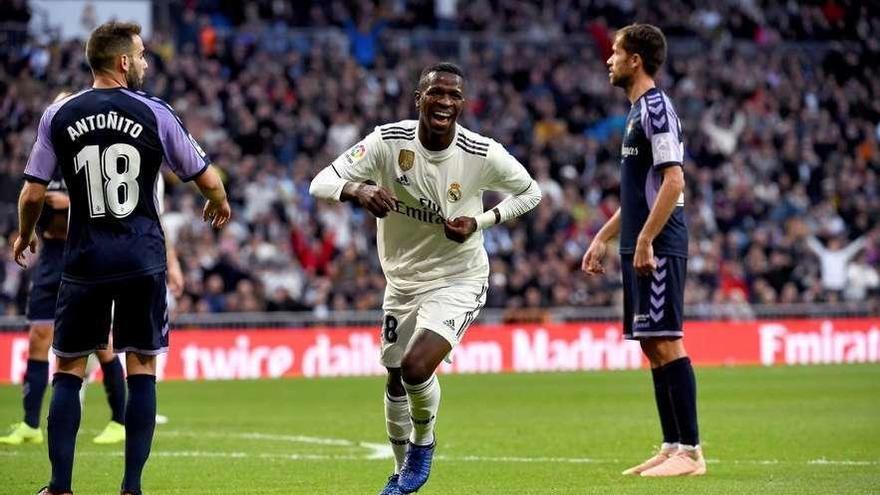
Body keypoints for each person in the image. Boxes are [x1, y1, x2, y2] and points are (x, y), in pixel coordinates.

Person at [13, 21, 230, 495]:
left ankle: (60, 485)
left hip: (84, 258)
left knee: (68, 368)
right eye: (142, 54)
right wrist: (218, 199)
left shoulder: (59, 114)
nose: (147, 62)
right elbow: (204, 175)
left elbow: (32, 192)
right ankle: (131, 487)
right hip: (141, 258)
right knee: (142, 367)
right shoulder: (154, 111)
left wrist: (25, 234)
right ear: (123, 62)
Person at [310, 62, 541, 495]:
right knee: (395, 377)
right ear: (419, 98)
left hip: (459, 277)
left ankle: (424, 444)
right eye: (437, 93)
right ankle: (401, 477)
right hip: (401, 282)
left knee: (417, 367)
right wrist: (358, 191)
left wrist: (481, 220)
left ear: (461, 104)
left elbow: (531, 192)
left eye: (454, 95)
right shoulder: (387, 142)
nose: (445, 101)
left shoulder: (480, 152)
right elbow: (321, 181)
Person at [581, 24, 705, 477]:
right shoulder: (637, 114)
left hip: (660, 243)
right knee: (651, 345)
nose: (608, 60)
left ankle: (691, 453)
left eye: (615, 52)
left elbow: (674, 182)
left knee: (668, 341)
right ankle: (672, 444)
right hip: (638, 243)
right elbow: (639, 195)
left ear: (636, 59)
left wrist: (649, 239)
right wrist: (603, 236)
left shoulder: (657, 110)